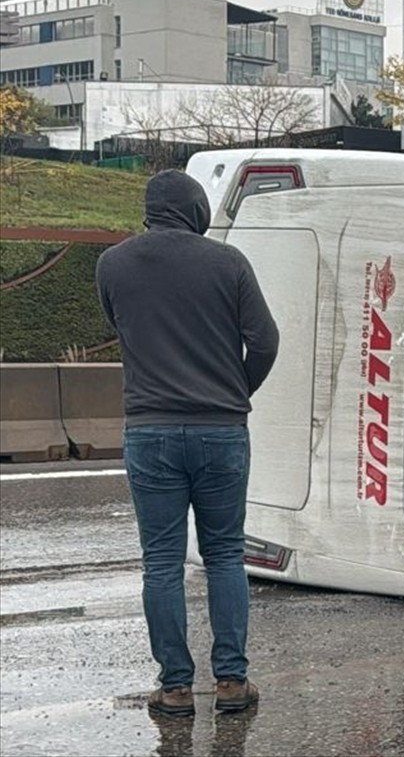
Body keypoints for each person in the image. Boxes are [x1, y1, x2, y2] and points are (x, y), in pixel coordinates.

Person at [96, 169, 279, 716]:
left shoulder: (113, 264)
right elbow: (265, 341)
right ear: (198, 210)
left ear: (150, 211)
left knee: (161, 562)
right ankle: (231, 683)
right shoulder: (228, 263)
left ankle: (175, 687)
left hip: (149, 430)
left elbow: (120, 325)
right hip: (222, 431)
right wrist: (235, 391)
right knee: (225, 553)